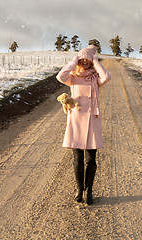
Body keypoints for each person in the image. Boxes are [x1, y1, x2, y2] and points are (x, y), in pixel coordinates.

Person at [56, 46, 111, 205]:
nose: (85, 61)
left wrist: (95, 60)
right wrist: (75, 60)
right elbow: (60, 76)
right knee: (77, 158)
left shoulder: (95, 77)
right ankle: (79, 189)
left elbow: (106, 77)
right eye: (82, 59)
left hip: (92, 119)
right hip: (76, 118)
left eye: (88, 59)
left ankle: (90, 190)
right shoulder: (72, 77)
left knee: (91, 159)